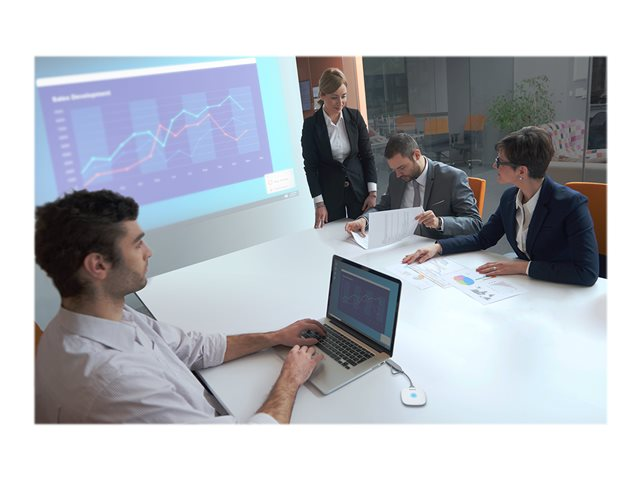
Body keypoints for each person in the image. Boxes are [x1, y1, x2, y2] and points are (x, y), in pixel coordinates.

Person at [35, 189, 326, 424]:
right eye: (137, 244)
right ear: (98, 265)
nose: (149, 252)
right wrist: (290, 378)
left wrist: (274, 337)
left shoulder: (97, 317)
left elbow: (193, 347)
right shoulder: (117, 382)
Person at [402, 126, 599, 287]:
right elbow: (483, 238)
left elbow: (587, 272)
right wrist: (438, 247)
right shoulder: (510, 198)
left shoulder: (570, 205)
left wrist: (523, 267)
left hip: (563, 289)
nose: (494, 166)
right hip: (530, 286)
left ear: (522, 171)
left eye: (500, 161)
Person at [345, 133, 482, 239]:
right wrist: (364, 220)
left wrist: (439, 222)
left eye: (401, 168)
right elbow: (383, 207)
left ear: (417, 155)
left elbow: (475, 223)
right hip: (400, 245)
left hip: (435, 249)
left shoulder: (452, 177)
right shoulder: (396, 178)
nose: (398, 175)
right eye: (394, 169)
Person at [301, 67, 378, 228]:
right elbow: (310, 167)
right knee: (333, 236)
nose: (340, 102)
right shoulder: (311, 125)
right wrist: (319, 203)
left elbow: (367, 156)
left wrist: (372, 192)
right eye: (334, 97)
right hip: (330, 194)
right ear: (322, 95)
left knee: (364, 233)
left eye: (344, 96)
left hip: (359, 191)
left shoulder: (355, 117)